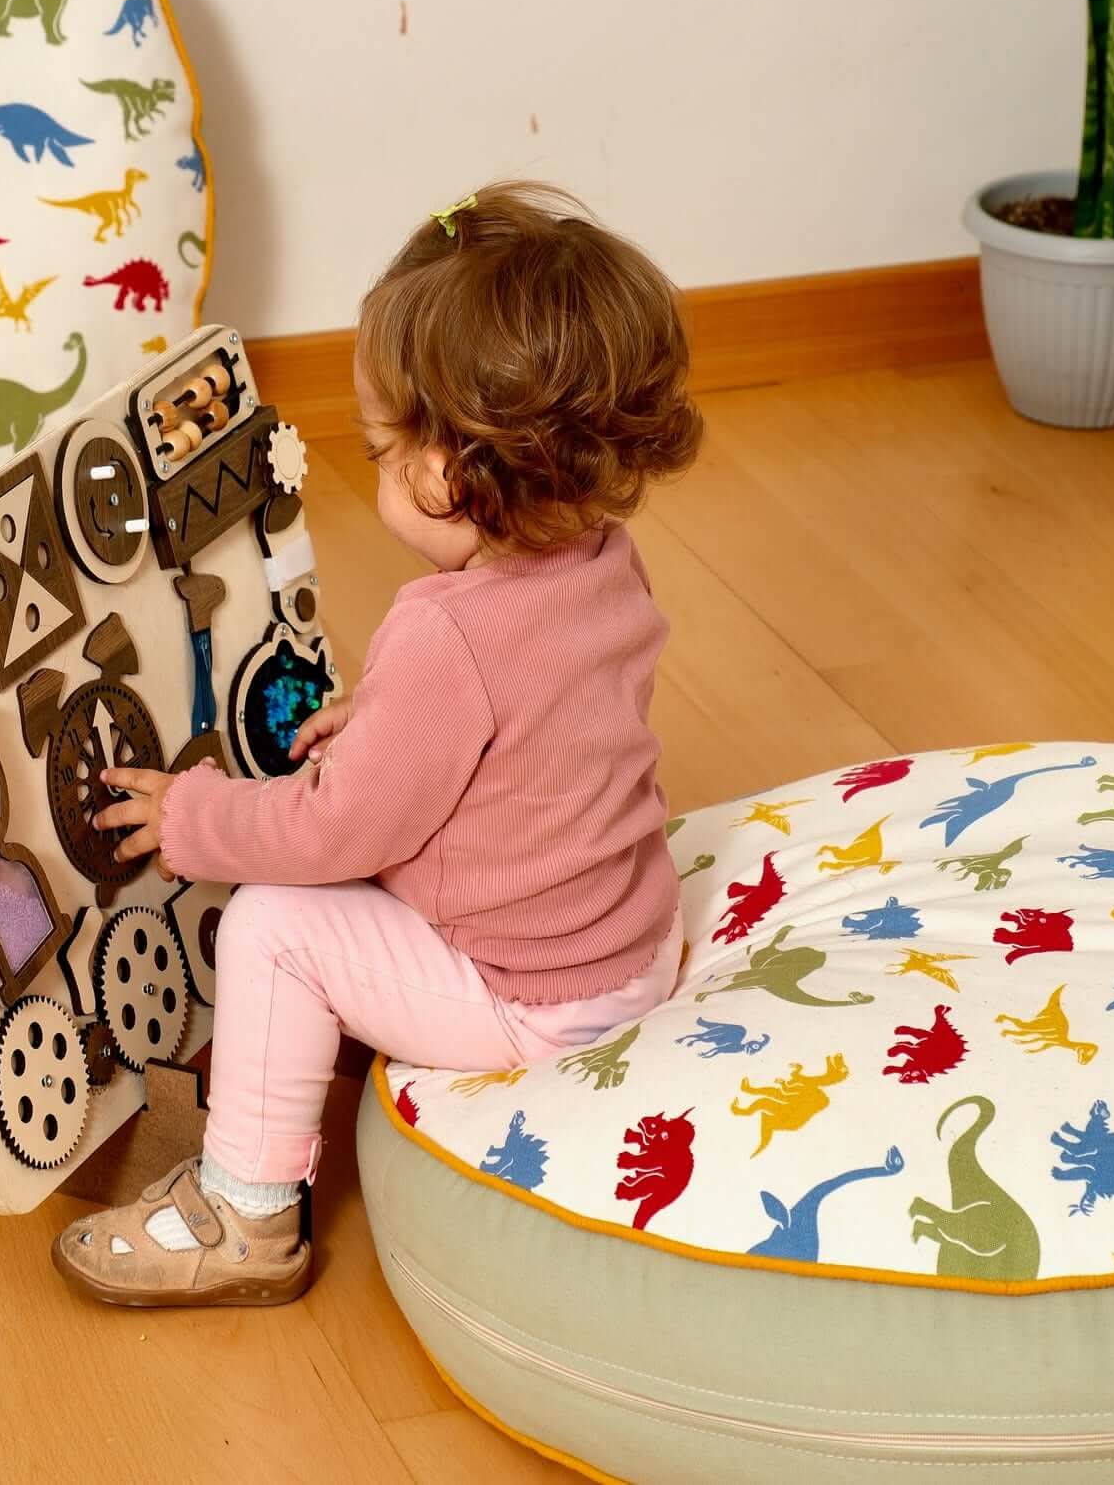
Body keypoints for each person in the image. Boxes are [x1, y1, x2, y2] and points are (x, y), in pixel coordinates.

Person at [53, 181, 704, 1306]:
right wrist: (393, 723)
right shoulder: (603, 557)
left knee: (271, 927)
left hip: (530, 998)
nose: (364, 464)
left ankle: (246, 1217)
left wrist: (191, 817)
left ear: (452, 473)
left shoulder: (442, 630)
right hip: (631, 945)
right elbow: (544, 721)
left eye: (373, 446)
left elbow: (332, 830)